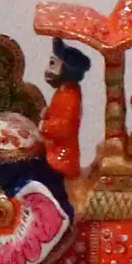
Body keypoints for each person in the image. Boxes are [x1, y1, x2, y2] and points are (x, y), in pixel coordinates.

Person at [40, 38, 92, 176]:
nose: (47, 69)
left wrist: (44, 126)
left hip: (60, 156)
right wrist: (48, 113)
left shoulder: (70, 95)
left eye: (52, 64)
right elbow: (58, 113)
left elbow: (64, 126)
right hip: (53, 148)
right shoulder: (64, 91)